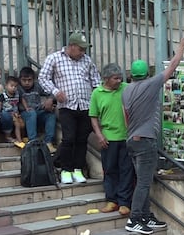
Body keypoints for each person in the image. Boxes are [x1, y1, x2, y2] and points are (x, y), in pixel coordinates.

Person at [122, 37, 184, 234]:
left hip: (132, 140)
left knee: (143, 179)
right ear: (147, 73)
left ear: (132, 74)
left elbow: (126, 116)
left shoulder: (126, 91)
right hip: (145, 141)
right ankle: (134, 219)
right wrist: (181, 47)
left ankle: (145, 215)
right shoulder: (151, 85)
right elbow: (173, 67)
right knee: (143, 182)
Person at [38, 32, 100, 184]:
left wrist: (98, 99)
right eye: (81, 49)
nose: (83, 52)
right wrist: (55, 92)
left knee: (81, 139)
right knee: (69, 138)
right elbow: (43, 77)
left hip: (85, 105)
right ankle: (66, 169)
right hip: (67, 106)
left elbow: (96, 80)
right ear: (71, 46)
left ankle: (78, 169)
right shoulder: (54, 58)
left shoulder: (87, 60)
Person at [89, 63, 134, 216]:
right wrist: (99, 135)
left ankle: (124, 202)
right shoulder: (97, 93)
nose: (119, 81)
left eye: (120, 78)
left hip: (126, 137)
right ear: (106, 79)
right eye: (115, 78)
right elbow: (93, 117)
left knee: (127, 170)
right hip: (108, 138)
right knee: (109, 170)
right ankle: (111, 200)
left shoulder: (126, 88)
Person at [18, 66, 57, 152]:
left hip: (38, 112)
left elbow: (53, 92)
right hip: (24, 114)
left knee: (50, 115)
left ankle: (48, 142)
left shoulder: (37, 86)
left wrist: (49, 101)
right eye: (24, 80)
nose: (27, 83)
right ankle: (33, 141)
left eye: (29, 80)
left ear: (34, 79)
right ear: (20, 79)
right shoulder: (18, 88)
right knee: (31, 113)